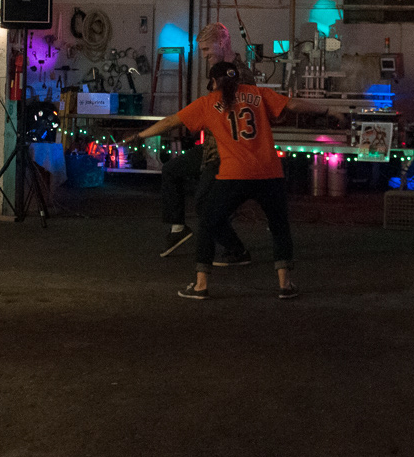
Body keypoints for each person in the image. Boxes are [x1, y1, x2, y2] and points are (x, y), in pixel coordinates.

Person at [126, 61, 343, 300]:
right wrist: (327, 110)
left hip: (234, 174)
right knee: (279, 226)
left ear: (214, 81)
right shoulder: (258, 94)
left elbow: (170, 122)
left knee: (208, 221)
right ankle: (285, 284)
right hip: (269, 172)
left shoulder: (208, 103)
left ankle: (200, 285)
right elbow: (292, 104)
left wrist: (139, 135)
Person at [157, 23, 253, 262]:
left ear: (221, 43)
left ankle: (237, 250)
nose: (204, 55)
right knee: (171, 170)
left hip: (226, 152)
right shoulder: (220, 72)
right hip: (211, 147)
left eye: (207, 49)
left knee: (204, 204)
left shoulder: (240, 75)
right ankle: (178, 229)